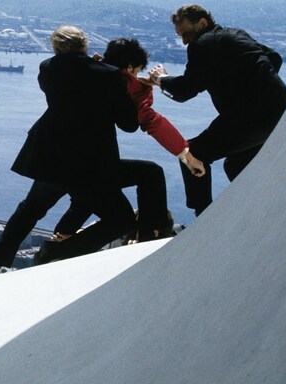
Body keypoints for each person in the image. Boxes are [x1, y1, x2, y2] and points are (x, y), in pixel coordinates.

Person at [0, 25, 140, 277]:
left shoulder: (47, 69)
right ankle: (58, 252)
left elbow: (73, 85)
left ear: (56, 48)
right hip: (89, 163)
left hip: (51, 156)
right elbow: (128, 124)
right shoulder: (108, 75)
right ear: (85, 45)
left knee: (29, 210)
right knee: (122, 220)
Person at [51, 38, 205, 245]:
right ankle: (148, 237)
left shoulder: (88, 72)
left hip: (60, 157)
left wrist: (140, 81)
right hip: (91, 164)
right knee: (151, 174)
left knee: (93, 194)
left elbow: (117, 76)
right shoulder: (120, 84)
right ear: (130, 67)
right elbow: (151, 120)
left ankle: (60, 238)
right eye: (136, 71)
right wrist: (186, 155)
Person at [148, 4, 286, 216]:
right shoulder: (237, 34)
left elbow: (185, 90)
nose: (185, 41)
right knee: (235, 164)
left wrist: (160, 79)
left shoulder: (201, 46)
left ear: (202, 23)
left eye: (186, 33)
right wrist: (251, 83)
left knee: (192, 154)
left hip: (248, 118)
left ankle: (203, 219)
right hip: (282, 113)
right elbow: (274, 58)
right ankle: (262, 211)